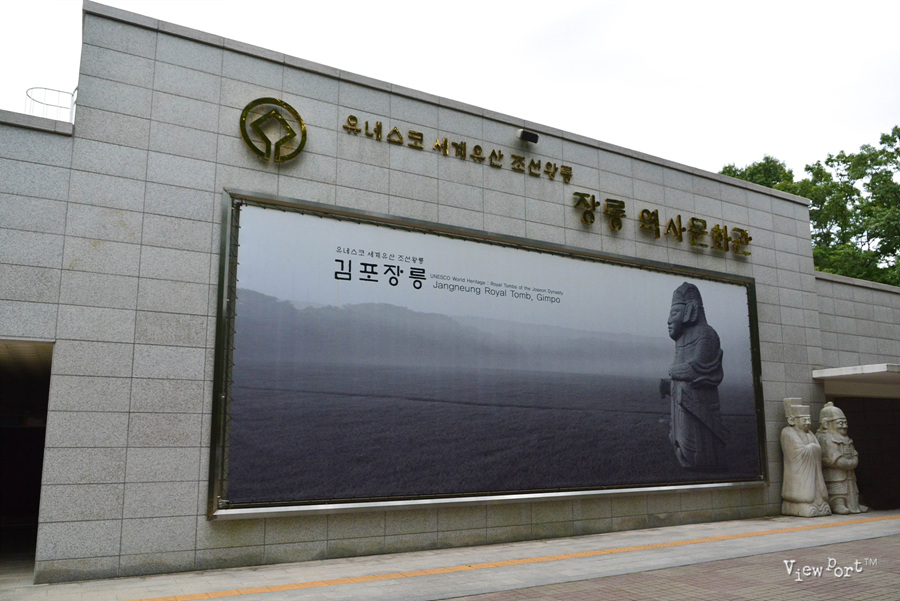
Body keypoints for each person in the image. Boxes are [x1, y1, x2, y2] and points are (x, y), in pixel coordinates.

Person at [659, 282, 728, 470]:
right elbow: (681, 373)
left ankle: (706, 463)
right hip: (682, 403)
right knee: (681, 440)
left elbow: (696, 369)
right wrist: (669, 384)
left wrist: (673, 371)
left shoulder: (707, 334)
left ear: (690, 310)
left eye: (674, 313)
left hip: (699, 404)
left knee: (698, 447)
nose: (668, 320)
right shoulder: (681, 339)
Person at [781, 398, 831, 517]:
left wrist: (813, 448)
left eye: (809, 419)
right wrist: (813, 448)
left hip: (813, 471)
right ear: (792, 420)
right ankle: (802, 502)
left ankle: (819, 504)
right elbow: (796, 452)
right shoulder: (788, 432)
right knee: (805, 495)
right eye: (804, 420)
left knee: (820, 498)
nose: (808, 423)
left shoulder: (810, 433)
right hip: (800, 471)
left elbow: (818, 449)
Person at [816, 402, 868, 514]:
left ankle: (854, 504)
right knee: (837, 489)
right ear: (826, 424)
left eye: (845, 423)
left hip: (848, 470)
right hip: (834, 472)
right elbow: (832, 458)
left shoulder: (846, 437)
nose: (844, 426)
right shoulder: (825, 437)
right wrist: (847, 463)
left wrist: (854, 460)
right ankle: (838, 504)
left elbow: (854, 452)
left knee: (852, 488)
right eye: (840, 423)